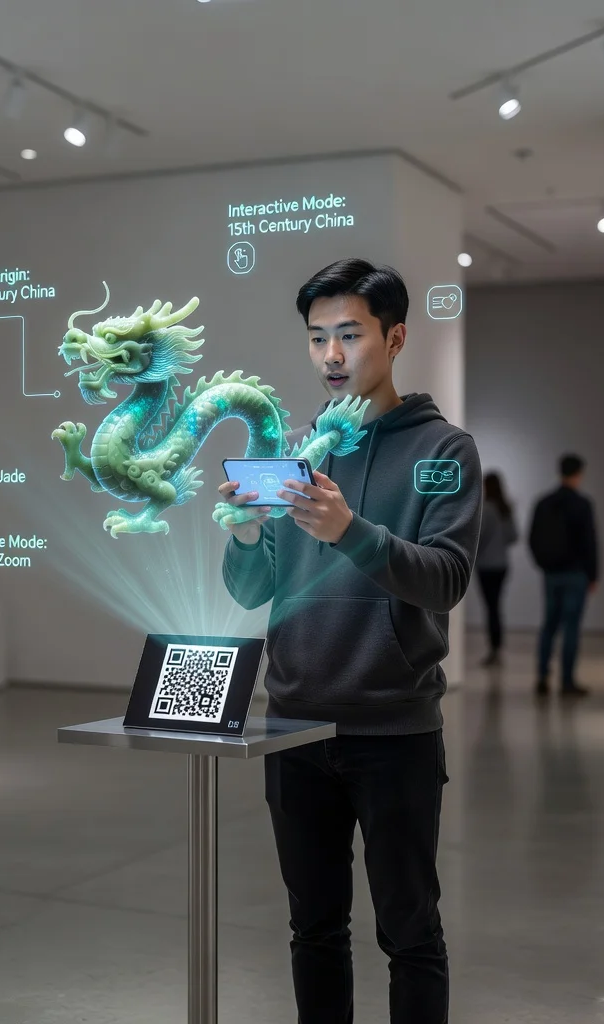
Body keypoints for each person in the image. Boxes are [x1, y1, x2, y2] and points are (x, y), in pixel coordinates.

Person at [218, 259, 482, 1024]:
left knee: (410, 932)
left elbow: (446, 579)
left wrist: (349, 531)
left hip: (393, 730)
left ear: (394, 339)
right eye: (316, 338)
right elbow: (252, 590)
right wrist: (245, 532)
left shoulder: (444, 451)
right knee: (313, 929)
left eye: (350, 335)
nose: (331, 355)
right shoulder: (298, 451)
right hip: (294, 726)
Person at [527, 453, 599, 697]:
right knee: (571, 628)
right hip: (576, 574)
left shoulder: (544, 502)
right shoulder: (582, 504)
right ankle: (567, 681)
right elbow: (590, 543)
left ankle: (542, 676)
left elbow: (532, 537)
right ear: (578, 474)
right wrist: (593, 575)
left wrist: (542, 564)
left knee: (549, 625)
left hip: (551, 574)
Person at [475, 471, 518, 667]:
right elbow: (513, 536)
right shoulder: (505, 509)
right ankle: (497, 646)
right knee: (496, 606)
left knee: (490, 607)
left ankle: (494, 648)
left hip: (486, 565)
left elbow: (479, 537)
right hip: (502, 564)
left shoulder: (486, 509)